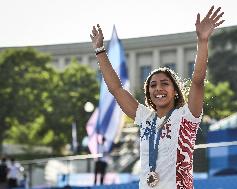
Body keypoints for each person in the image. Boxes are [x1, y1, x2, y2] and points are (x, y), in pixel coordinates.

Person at [90, 5, 224, 189]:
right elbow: (116, 89)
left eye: (164, 83)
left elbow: (198, 81)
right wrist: (100, 51)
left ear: (175, 90)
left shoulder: (186, 116)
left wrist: (202, 41)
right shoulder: (145, 118)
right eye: (153, 85)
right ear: (148, 94)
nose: (158, 88)